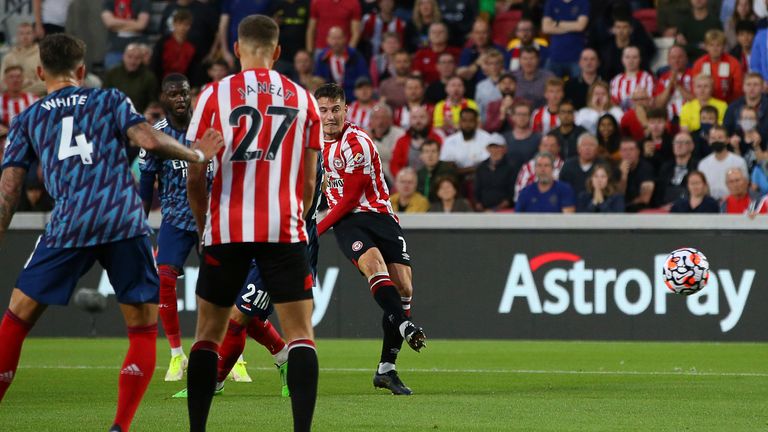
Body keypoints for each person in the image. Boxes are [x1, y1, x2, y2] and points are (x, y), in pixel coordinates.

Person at [0, 34, 222, 431]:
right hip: (122, 217)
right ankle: (120, 427)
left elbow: (10, 190)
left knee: (17, 318)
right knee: (141, 326)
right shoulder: (111, 100)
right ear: (82, 71)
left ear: (39, 72)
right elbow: (150, 141)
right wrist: (198, 153)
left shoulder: (27, 118)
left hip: (69, 222)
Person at [183, 15, 320, 432]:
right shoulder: (304, 99)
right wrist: (294, 215)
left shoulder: (212, 95)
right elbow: (311, 181)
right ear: (278, 52)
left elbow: (193, 173)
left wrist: (206, 225)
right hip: (284, 227)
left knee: (208, 334)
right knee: (300, 334)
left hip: (226, 228)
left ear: (236, 49)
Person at [314, 83, 427, 396]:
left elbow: (351, 197)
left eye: (335, 109)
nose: (330, 116)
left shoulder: (357, 142)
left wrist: (316, 231)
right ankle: (406, 327)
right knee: (374, 266)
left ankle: (386, 369)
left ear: (346, 109)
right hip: (348, 223)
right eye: (323, 110)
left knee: (404, 287)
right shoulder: (310, 145)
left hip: (377, 216)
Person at [313, 27, 369, 102]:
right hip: (329, 99)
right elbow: (318, 79)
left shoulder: (355, 56)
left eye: (339, 38)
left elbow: (363, 78)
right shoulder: (322, 57)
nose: (336, 42)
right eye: (333, 38)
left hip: (352, 98)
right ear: (328, 40)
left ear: (345, 39)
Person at [102, 44, 159, 113]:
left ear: (141, 60)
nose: (132, 61)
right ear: (123, 57)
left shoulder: (149, 77)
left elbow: (153, 102)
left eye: (137, 58)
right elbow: (104, 97)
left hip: (139, 117)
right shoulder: (112, 73)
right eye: (130, 57)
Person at [691, 30, 744, 103]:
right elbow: (694, 88)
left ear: (723, 47)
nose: (715, 49)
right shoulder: (699, 64)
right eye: (711, 45)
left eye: (718, 45)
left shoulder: (733, 63)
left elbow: (738, 90)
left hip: (728, 103)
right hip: (704, 104)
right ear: (706, 47)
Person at [541, 0, 590, 78]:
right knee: (550, 87)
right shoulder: (551, 2)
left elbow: (580, 26)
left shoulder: (583, 2)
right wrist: (573, 26)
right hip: (555, 56)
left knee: (577, 87)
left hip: (577, 56)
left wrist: (557, 23)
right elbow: (546, 28)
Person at [698, 124, 748, 199]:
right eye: (713, 138)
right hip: (710, 204)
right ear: (709, 140)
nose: (716, 141)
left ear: (727, 140)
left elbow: (745, 186)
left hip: (733, 202)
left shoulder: (739, 162)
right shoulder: (703, 164)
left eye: (720, 138)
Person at [390, 106, 442, 177]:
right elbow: (394, 165)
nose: (418, 121)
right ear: (409, 120)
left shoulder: (437, 138)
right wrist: (402, 178)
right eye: (414, 118)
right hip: (408, 181)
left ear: (428, 119)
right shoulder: (401, 141)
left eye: (422, 117)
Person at [439, 108, 492, 176]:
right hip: (457, 180)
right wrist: (473, 169)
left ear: (476, 122)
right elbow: (447, 167)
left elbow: (487, 165)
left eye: (471, 121)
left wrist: (460, 170)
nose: (467, 124)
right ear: (460, 122)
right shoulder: (449, 141)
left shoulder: (487, 138)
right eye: (464, 121)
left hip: (481, 177)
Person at [101, 0, 151, 69]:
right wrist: (133, 22)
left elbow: (141, 25)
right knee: (112, 67)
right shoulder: (110, 1)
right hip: (115, 48)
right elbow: (109, 23)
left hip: (138, 45)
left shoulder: (143, 2)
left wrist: (116, 26)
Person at [656, 132, 700, 206]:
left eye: (683, 142)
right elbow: (659, 192)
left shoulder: (698, 166)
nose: (679, 145)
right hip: (665, 208)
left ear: (692, 146)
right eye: (676, 142)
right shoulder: (666, 167)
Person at [474, 133, 516, 211]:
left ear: (504, 149)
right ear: (487, 149)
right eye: (492, 147)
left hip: (503, 211)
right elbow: (477, 189)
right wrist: (479, 205)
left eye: (497, 147)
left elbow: (512, 193)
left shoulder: (511, 168)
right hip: (483, 211)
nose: (494, 150)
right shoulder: (481, 167)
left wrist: (496, 209)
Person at [150, 8, 196, 79]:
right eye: (180, 24)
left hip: (183, 82)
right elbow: (155, 65)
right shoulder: (162, 43)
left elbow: (193, 70)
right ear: (174, 24)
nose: (183, 27)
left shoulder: (192, 46)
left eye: (186, 24)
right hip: (163, 81)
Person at [653, 45, 694, 123]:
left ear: (686, 59)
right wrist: (670, 85)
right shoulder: (663, 78)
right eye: (673, 57)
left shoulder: (693, 75)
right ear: (668, 60)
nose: (676, 60)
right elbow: (659, 104)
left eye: (680, 57)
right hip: (669, 119)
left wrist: (678, 86)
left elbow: (696, 100)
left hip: (690, 118)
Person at [0, 23, 44, 95]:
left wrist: (19, 93)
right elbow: (2, 84)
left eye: (28, 33)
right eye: (21, 34)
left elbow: (45, 84)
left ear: (34, 35)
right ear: (17, 36)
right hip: (12, 102)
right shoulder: (8, 58)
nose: (25, 37)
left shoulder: (42, 56)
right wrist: (27, 83)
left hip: (35, 101)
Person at [609, 46, 655, 111]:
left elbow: (650, 101)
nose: (631, 61)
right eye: (627, 57)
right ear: (622, 59)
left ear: (640, 59)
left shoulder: (647, 78)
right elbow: (612, 101)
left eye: (634, 57)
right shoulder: (616, 80)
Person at [617, 137, 655, 212]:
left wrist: (625, 206)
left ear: (638, 152)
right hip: (620, 209)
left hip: (640, 210)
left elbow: (645, 199)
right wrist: (623, 176)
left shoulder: (646, 168)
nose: (628, 153)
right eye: (624, 150)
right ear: (620, 153)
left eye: (631, 149)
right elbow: (617, 196)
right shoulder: (616, 169)